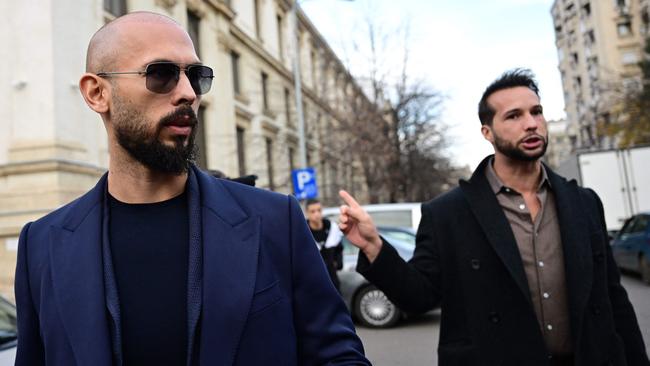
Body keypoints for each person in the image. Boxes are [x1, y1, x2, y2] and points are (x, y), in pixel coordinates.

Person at [13, 12, 369, 366]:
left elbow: (338, 358)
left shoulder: (276, 222)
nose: (188, 93)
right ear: (97, 93)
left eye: (196, 76)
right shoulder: (42, 245)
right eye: (161, 74)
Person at [338, 69, 650, 366]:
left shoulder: (583, 203)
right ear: (487, 132)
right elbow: (419, 296)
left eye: (536, 111)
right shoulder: (448, 213)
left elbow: (613, 299)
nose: (531, 123)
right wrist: (374, 247)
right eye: (514, 116)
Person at [306, 199, 344, 291]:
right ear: (307, 213)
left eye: (319, 210)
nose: (317, 214)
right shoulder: (304, 231)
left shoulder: (332, 227)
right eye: (313, 211)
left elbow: (339, 248)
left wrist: (337, 263)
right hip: (313, 283)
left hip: (332, 280)